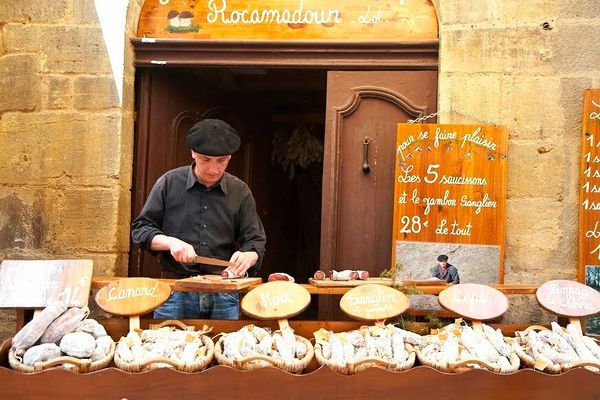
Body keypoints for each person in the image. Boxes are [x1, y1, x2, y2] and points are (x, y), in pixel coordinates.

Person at [131, 119, 266, 320]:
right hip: (175, 289)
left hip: (224, 291)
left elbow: (256, 241)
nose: (213, 169)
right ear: (193, 153)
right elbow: (140, 229)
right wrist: (171, 243)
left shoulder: (240, 191)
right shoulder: (169, 182)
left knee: (223, 348)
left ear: (229, 157)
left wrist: (250, 255)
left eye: (221, 161)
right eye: (205, 160)